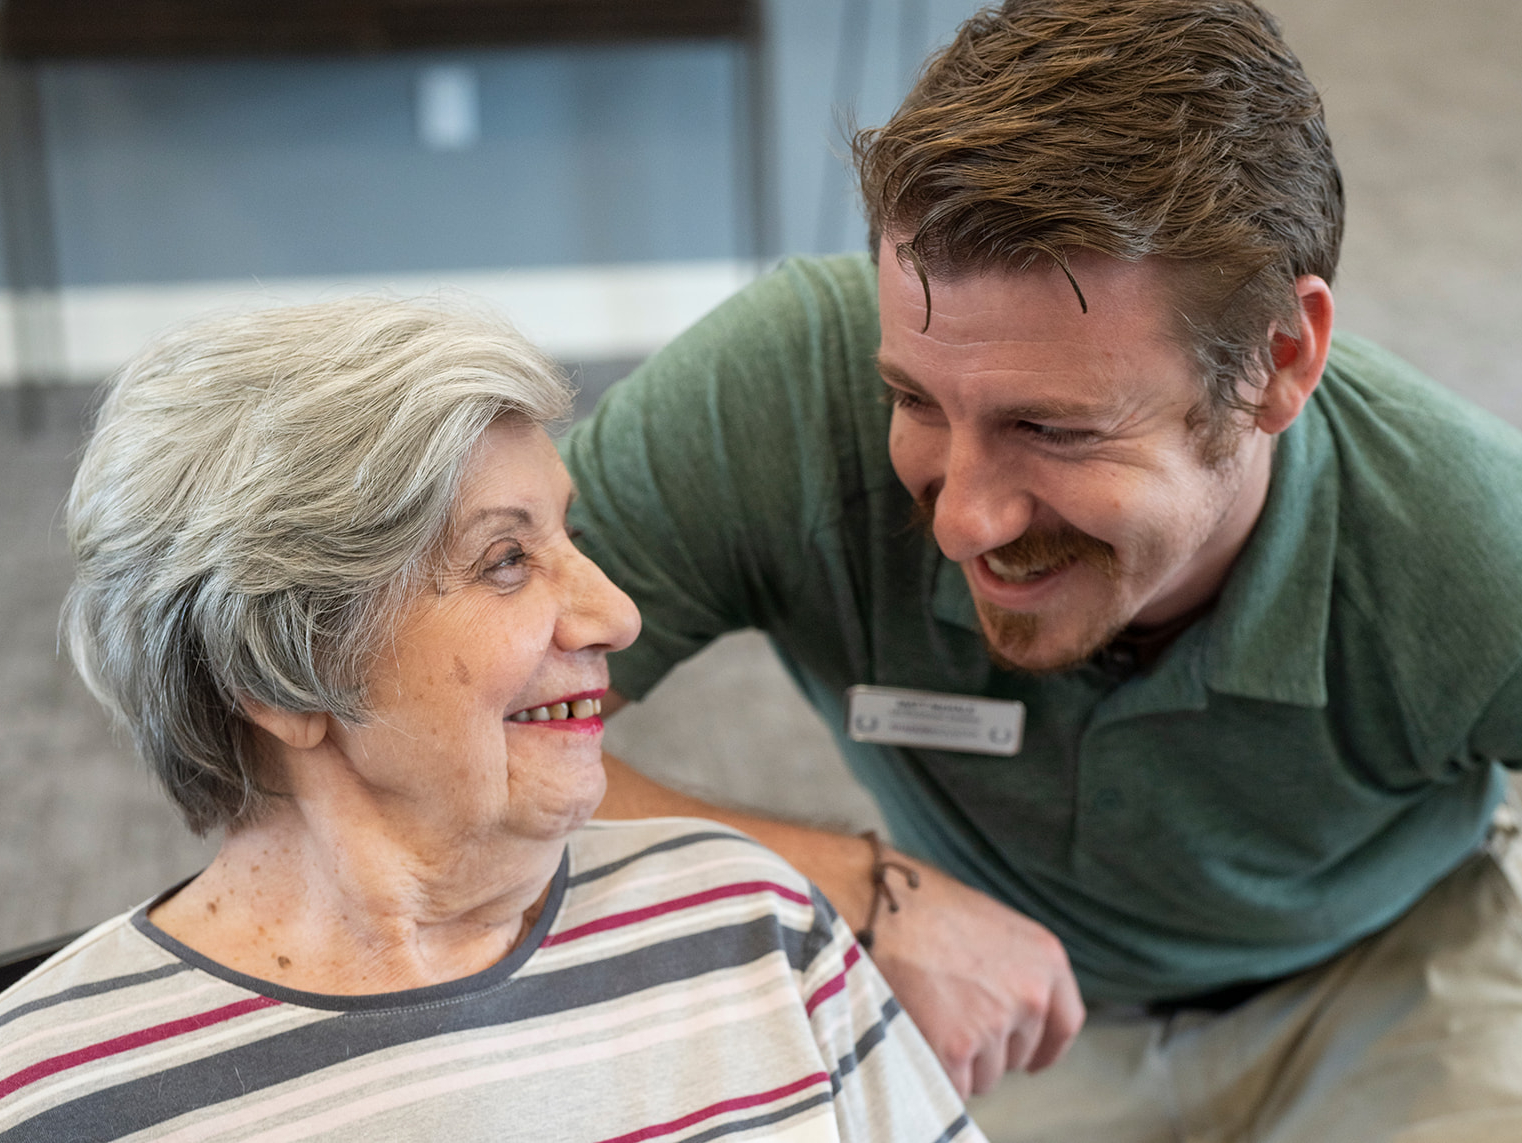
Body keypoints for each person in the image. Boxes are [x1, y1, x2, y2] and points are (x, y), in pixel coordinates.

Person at [559, 0, 1522, 1138]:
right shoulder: (772, 391)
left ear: (1277, 362)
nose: (964, 520)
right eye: (914, 400)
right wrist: (856, 887)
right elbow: (432, 742)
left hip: (1379, 974)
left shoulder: (1471, 541)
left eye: (1054, 431)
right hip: (995, 981)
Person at [0, 299, 983, 1143]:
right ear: (285, 676)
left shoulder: (752, 924)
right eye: (505, 560)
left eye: (570, 536)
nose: (615, 616)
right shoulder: (57, 1094)